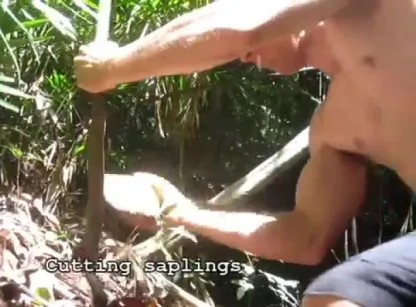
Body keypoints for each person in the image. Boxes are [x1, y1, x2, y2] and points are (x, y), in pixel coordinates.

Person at [74, 0, 416, 306]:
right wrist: (179, 210)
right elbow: (306, 237)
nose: (243, 58)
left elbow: (243, 27)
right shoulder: (336, 125)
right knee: (337, 299)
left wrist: (112, 68)